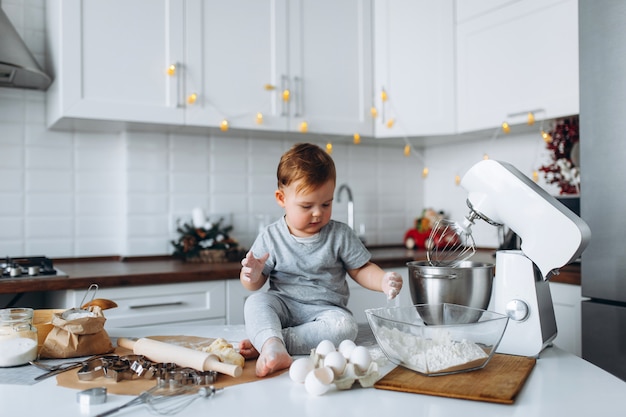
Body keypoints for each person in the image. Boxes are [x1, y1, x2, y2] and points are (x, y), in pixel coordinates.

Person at [238, 143, 403, 377]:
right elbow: (255, 283)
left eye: (326, 204)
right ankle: (270, 340)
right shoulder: (271, 236)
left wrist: (383, 280)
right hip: (282, 306)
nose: (318, 213)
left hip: (326, 313)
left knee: (346, 327)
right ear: (281, 198)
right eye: (307, 206)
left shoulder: (339, 234)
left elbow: (361, 269)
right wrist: (251, 276)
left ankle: (270, 341)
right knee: (255, 302)